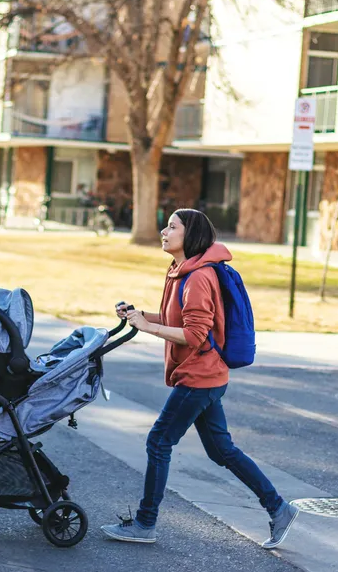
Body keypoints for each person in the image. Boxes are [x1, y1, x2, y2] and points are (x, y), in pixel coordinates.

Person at [100, 209, 299, 549]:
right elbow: (177, 317)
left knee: (159, 442)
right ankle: (278, 508)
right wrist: (140, 315)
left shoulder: (198, 278)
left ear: (189, 235)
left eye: (172, 227)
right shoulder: (181, 272)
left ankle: (146, 523)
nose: (163, 231)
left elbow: (194, 334)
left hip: (199, 376)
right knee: (222, 450)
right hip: (205, 374)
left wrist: (149, 328)